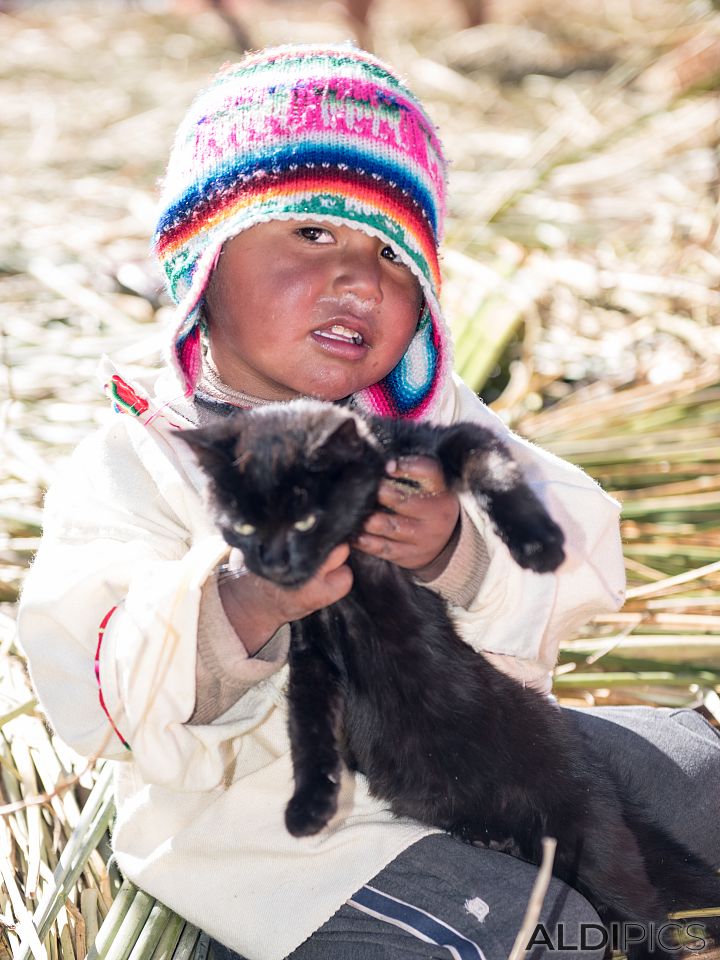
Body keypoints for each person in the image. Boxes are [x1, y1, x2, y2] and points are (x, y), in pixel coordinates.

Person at [18, 44, 720, 960]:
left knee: (702, 783)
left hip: (480, 749)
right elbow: (99, 686)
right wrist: (246, 601)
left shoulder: (425, 421)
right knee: (539, 933)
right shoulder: (140, 461)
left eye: (393, 253)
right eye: (313, 234)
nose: (360, 277)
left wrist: (456, 547)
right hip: (287, 834)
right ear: (205, 258)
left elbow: (579, 551)